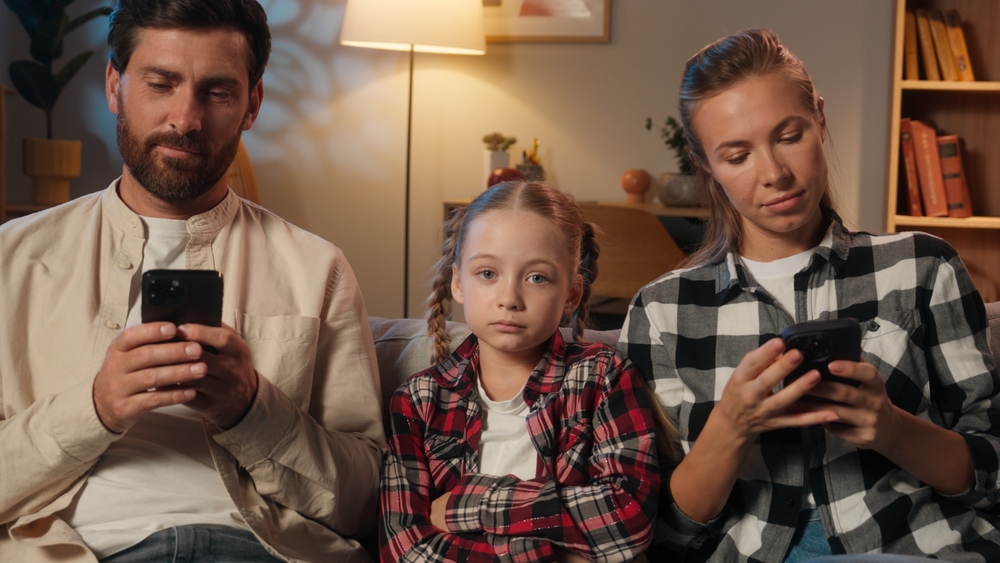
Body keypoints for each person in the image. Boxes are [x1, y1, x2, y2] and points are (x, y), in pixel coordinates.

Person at [0, 1, 385, 561]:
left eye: (218, 92)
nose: (185, 119)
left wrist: (251, 409)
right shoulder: (13, 258)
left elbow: (366, 502)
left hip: (261, 549)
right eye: (161, 84)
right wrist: (96, 408)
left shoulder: (317, 268)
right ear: (114, 86)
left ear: (252, 104)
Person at [619, 28, 1000, 562]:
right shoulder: (662, 312)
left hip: (912, 548)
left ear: (819, 118)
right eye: (737, 156)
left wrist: (892, 428)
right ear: (705, 163)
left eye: (789, 136)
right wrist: (730, 429)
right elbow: (662, 533)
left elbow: (990, 473)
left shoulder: (922, 265)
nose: (775, 174)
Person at [379, 181, 660, 562]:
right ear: (458, 282)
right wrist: (557, 555)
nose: (509, 298)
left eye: (537, 278)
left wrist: (475, 502)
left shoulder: (602, 376)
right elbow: (403, 549)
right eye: (487, 273)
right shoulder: (417, 401)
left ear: (571, 294)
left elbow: (628, 516)